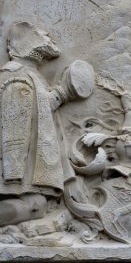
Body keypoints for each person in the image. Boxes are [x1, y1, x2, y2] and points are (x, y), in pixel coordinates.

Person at [0, 21, 76, 226]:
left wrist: (61, 93)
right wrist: (13, 173)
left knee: (38, 204)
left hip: (24, 165)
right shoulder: (16, 73)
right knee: (35, 205)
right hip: (17, 168)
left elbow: (40, 107)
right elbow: (15, 120)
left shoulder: (29, 74)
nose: (48, 36)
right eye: (42, 34)